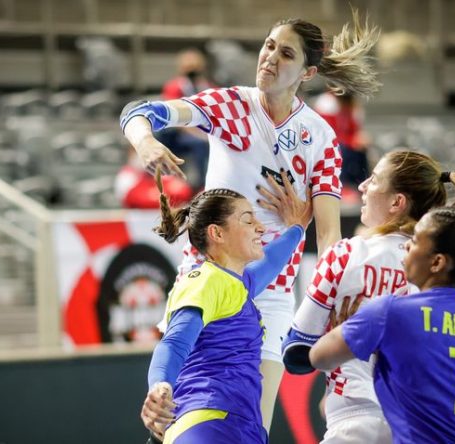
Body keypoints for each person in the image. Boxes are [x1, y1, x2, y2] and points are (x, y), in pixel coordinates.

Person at [122, 10, 381, 430]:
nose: (270, 58)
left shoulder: (320, 137)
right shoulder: (231, 106)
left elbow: (329, 233)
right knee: (175, 408)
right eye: (269, 45)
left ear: (308, 72)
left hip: (272, 289)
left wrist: (331, 296)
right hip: (210, 279)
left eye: (286, 54)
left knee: (254, 424)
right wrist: (145, 142)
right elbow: (139, 112)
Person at [282, 95, 455, 443]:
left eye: (374, 179)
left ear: (397, 202)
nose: (363, 186)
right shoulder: (453, 262)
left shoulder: (344, 256)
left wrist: (342, 336)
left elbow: (297, 356)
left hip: (354, 424)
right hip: (426, 426)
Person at [309, 206, 455, 443]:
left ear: (437, 262)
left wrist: (351, 325)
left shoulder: (391, 312)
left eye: (415, 241)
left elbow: (318, 357)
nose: (406, 245)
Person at [141, 170, 312, 443]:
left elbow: (270, 262)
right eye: (248, 220)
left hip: (237, 426)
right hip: (208, 422)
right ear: (217, 233)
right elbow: (173, 343)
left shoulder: (237, 284)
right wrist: (160, 384)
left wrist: (297, 228)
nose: (261, 227)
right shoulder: (205, 280)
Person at [155, 48, 215, 190]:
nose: (192, 70)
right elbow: (176, 119)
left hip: (203, 132)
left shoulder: (208, 87)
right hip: (177, 135)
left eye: (195, 66)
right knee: (200, 144)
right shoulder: (174, 87)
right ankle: (201, 185)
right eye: (189, 66)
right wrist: (201, 136)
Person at [313, 91, 370, 202]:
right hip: (326, 142)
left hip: (345, 141)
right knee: (341, 150)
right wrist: (352, 141)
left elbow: (354, 130)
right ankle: (342, 186)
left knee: (362, 150)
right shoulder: (326, 103)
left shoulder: (353, 104)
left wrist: (359, 138)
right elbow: (328, 133)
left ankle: (362, 184)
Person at [115, 145, 194, 209]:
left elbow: (183, 192)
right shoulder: (126, 175)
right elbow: (129, 200)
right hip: (138, 217)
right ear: (130, 154)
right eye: (136, 152)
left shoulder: (164, 171)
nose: (141, 156)